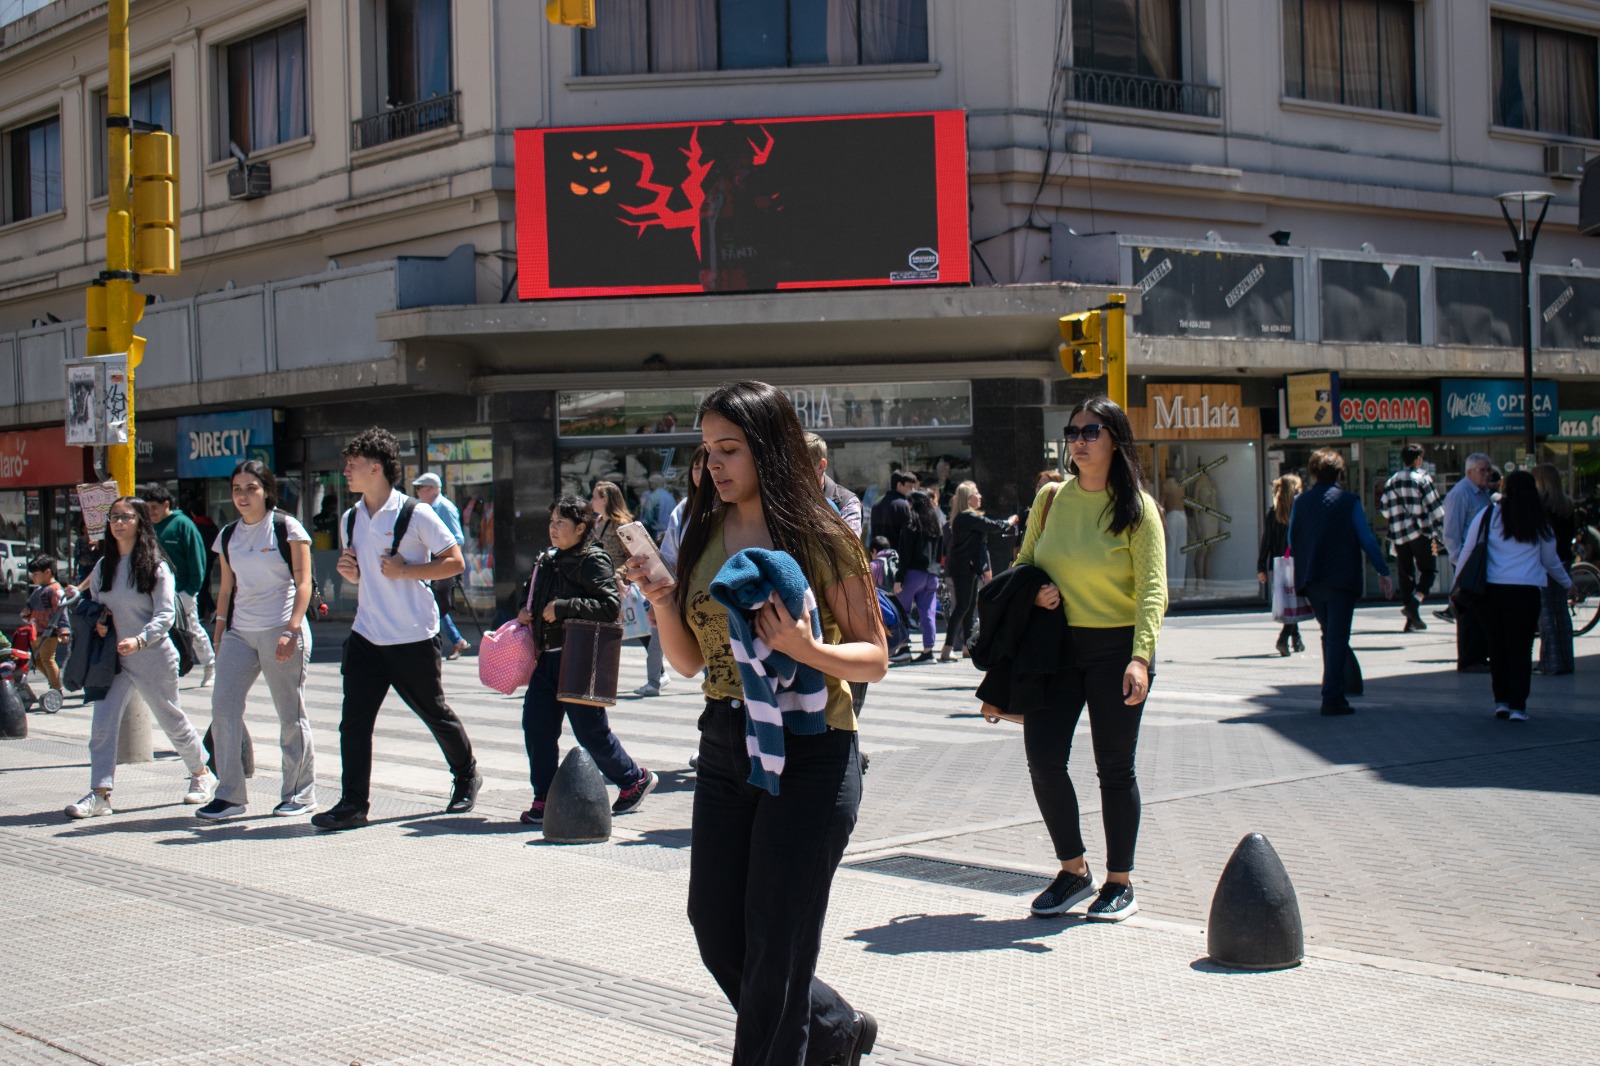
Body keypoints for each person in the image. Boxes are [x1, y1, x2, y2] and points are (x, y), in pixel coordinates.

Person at [628, 380, 885, 1065]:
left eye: (730, 449)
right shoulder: (703, 531)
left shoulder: (822, 534)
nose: (714, 464)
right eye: (707, 450)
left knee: (777, 940)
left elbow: (874, 659)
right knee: (717, 928)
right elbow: (686, 661)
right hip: (725, 742)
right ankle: (833, 1028)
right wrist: (660, 598)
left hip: (811, 749)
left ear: (768, 447)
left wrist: (808, 649)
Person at [1011, 397, 1167, 922]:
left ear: (1115, 439)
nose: (1078, 440)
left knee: (1113, 769)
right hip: (1056, 648)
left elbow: (1152, 590)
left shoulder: (1139, 509)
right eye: (1072, 431)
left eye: (1090, 431)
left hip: (1115, 650)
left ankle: (1119, 882)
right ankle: (1073, 870)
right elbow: (1024, 563)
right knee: (1043, 758)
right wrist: (1033, 593)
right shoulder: (1051, 499)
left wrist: (1141, 658)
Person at [311, 428, 481, 831]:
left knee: (434, 712)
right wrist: (351, 573)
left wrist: (407, 570)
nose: (347, 472)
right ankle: (353, 804)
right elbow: (363, 576)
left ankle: (466, 774)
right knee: (353, 723)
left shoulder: (415, 513)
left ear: (376, 468)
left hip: (413, 634)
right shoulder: (351, 516)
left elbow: (455, 562)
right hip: (367, 634)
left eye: (353, 465)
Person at [64, 497, 216, 820]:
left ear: (140, 522)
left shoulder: (156, 566)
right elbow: (94, 606)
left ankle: (202, 773)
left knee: (171, 720)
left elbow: (165, 616)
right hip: (113, 660)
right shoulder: (104, 566)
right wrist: (101, 623)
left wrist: (140, 639)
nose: (119, 523)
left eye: (126, 517)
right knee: (102, 725)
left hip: (153, 656)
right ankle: (100, 793)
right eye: (114, 517)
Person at [514, 496, 657, 826]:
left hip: (579, 656)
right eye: (551, 521)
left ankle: (633, 779)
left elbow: (609, 607)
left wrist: (563, 607)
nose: (552, 528)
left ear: (581, 528)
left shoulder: (593, 560)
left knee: (590, 731)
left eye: (560, 523)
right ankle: (545, 797)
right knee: (537, 728)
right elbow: (531, 595)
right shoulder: (547, 559)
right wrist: (525, 610)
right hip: (546, 659)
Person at [195, 461, 317, 820]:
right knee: (223, 709)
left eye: (251, 488)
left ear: (266, 490)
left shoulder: (286, 527)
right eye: (236, 489)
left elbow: (304, 582)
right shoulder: (229, 535)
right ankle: (231, 795)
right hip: (239, 633)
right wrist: (219, 631)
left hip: (281, 628)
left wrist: (292, 629)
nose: (243, 495)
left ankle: (299, 793)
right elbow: (227, 588)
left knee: (290, 715)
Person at [1455, 470, 1577, 721]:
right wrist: (1568, 583)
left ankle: (1501, 702)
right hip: (1525, 591)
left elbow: (1468, 550)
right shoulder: (1539, 520)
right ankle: (1518, 706)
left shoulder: (1488, 514)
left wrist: (1458, 585)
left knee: (1496, 648)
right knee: (1520, 649)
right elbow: (1551, 561)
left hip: (1489, 592)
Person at [1287, 448, 1396, 716]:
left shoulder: (1301, 502)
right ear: (1339, 473)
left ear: (1313, 472)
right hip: (1341, 578)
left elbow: (1291, 539)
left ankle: (1333, 690)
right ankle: (1332, 696)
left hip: (1312, 579)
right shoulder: (1348, 501)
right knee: (1337, 637)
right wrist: (1383, 571)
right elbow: (1367, 540)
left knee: (1329, 635)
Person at [141, 485, 216, 686]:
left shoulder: (184, 525)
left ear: (166, 504)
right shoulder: (148, 527)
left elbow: (197, 559)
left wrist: (191, 590)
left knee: (192, 629)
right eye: (147, 508)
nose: (151, 512)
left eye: (154, 507)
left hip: (183, 591)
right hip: (155, 591)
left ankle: (209, 666)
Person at [942, 482, 1017, 661]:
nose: (980, 496)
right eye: (976, 493)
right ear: (969, 498)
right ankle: (947, 647)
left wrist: (984, 567)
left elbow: (981, 543)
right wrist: (1011, 520)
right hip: (963, 568)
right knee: (962, 606)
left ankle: (967, 647)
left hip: (969, 567)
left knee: (968, 607)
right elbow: (992, 525)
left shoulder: (965, 517)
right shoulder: (967, 517)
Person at [1378, 443, 1445, 632]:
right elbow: (1436, 509)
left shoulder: (1391, 481)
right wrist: (1442, 529)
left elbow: (1384, 509)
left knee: (1405, 575)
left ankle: (1410, 619)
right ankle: (1414, 605)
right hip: (1421, 532)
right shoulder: (1422, 479)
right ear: (1418, 459)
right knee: (1429, 571)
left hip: (1399, 535)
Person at [1437, 453, 1494, 672]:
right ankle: (1469, 658)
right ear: (1469, 472)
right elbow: (1451, 534)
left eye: (1488, 469)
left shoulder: (1483, 493)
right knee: (1469, 612)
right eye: (1483, 470)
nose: (1487, 474)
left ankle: (1480, 655)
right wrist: (1460, 563)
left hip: (1482, 560)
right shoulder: (1460, 494)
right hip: (1467, 562)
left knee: (1482, 610)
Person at [413, 472, 471, 660]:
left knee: (436, 604)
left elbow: (457, 537)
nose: (417, 492)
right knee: (434, 603)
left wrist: (446, 556)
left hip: (444, 564)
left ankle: (453, 640)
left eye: (420, 488)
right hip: (434, 563)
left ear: (430, 489)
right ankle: (457, 640)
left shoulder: (444, 507)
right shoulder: (428, 508)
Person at [1531, 463, 1577, 676]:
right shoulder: (1567, 504)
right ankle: (1566, 659)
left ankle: (1550, 661)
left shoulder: (1541, 505)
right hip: (1566, 559)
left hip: (1547, 562)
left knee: (1546, 612)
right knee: (1561, 611)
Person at [1256, 474, 1305, 657]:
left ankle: (1296, 639)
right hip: (1296, 563)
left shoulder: (1273, 513)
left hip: (1278, 565)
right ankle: (1284, 638)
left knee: (1289, 602)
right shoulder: (1298, 512)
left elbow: (1266, 540)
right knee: (1294, 601)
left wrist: (1261, 565)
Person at [895, 489, 944, 663]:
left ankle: (903, 647)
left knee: (900, 611)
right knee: (928, 613)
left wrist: (899, 578)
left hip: (913, 574)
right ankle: (928, 651)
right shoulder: (935, 525)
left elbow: (905, 553)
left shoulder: (911, 524)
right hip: (932, 575)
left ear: (913, 504)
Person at [24, 554, 69, 698]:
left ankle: (56, 688)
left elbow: (62, 611)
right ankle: (52, 682)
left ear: (47, 572)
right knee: (36, 660)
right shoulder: (38, 590)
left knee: (48, 659)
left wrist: (64, 630)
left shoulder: (55, 590)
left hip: (49, 633)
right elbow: (30, 607)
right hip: (36, 632)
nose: (33, 577)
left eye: (36, 574)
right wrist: (26, 613)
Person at [806, 432, 863, 537]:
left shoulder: (847, 502)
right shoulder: (785, 497)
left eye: (801, 466)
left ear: (821, 466)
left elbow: (850, 549)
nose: (793, 472)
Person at [868, 469, 916, 549]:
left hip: (879, 556)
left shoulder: (876, 505)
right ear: (899, 485)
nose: (912, 490)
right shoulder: (903, 506)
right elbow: (907, 536)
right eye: (909, 487)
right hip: (896, 555)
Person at [638, 473, 677, 540]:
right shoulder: (670, 496)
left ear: (655, 484)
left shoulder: (653, 497)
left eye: (650, 484)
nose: (649, 486)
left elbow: (648, 516)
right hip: (671, 532)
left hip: (657, 533)